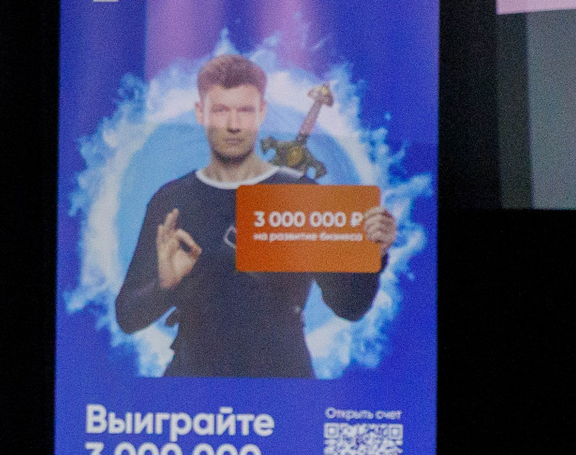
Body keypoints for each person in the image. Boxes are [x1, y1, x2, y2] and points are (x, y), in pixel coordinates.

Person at [115, 53, 396, 377]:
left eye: (245, 111)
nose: (234, 125)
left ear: (262, 113)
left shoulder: (301, 194)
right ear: (200, 113)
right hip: (194, 387)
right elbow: (127, 317)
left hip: (283, 383)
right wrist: (166, 285)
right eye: (221, 110)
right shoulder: (172, 200)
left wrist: (374, 255)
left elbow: (350, 307)